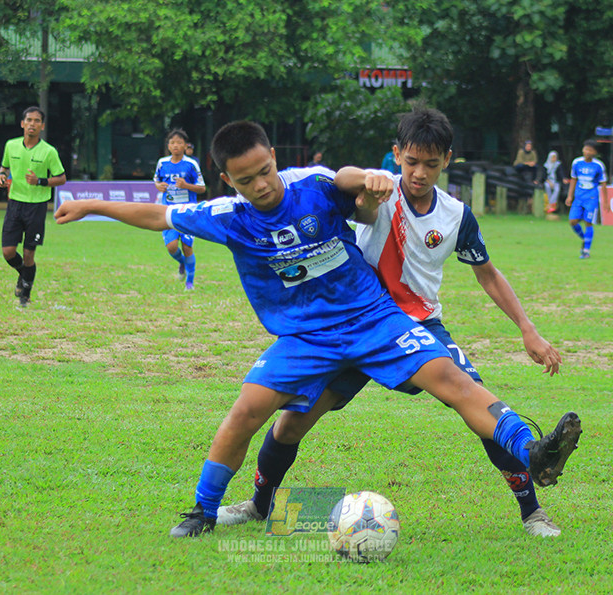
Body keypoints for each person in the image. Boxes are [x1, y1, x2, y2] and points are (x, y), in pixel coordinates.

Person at [54, 120, 582, 539]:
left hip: (377, 320)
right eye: (246, 180)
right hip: (306, 338)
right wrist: (91, 204)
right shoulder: (229, 216)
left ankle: (534, 453)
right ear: (229, 181)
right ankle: (206, 510)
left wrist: (368, 178)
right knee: (255, 414)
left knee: (455, 381)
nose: (261, 185)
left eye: (265, 171)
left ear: (274, 158)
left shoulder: (313, 185)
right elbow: (161, 217)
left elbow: (344, 179)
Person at [217, 107, 568, 537]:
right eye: (411, 162)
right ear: (396, 154)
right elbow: (330, 188)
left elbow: (488, 273)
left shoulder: (456, 216)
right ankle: (260, 504)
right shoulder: (373, 192)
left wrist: (527, 329)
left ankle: (532, 512)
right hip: (353, 322)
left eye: (431, 164)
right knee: (291, 423)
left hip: (418, 326)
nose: (419, 173)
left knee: (477, 404)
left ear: (447, 160)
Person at [0, 107, 67, 307]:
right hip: (15, 203)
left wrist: (40, 181)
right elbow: (4, 167)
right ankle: (24, 273)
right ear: (22, 123)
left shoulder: (49, 151)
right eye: (29, 120)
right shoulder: (11, 146)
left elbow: (61, 178)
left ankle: (25, 296)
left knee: (29, 254)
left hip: (36, 207)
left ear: (42, 126)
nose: (32, 124)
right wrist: (1, 176)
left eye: (37, 121)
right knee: (8, 252)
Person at [153, 128, 206, 290]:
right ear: (168, 146)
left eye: (179, 143)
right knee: (171, 247)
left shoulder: (191, 164)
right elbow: (156, 180)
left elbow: (202, 188)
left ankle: (190, 283)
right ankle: (182, 263)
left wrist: (186, 185)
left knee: (187, 246)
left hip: (188, 212)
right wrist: (159, 186)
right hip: (168, 212)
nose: (176, 145)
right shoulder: (162, 163)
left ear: (185, 146)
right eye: (172, 143)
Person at [565, 140, 609, 259]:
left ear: (595, 152)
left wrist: (606, 201)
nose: (587, 152)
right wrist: (570, 195)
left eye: (590, 150)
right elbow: (574, 179)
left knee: (588, 222)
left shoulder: (598, 165)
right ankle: (585, 239)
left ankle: (586, 251)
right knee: (572, 221)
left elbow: (603, 183)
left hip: (591, 197)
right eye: (585, 149)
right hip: (579, 197)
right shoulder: (576, 162)